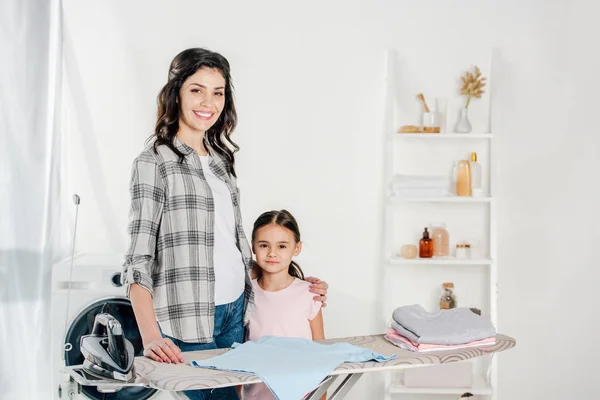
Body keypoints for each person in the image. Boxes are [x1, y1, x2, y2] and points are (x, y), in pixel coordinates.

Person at [121, 48, 329, 400]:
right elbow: (138, 259)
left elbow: (229, 246)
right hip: (189, 317)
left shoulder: (221, 163)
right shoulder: (154, 162)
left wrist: (292, 282)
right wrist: (150, 334)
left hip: (236, 309)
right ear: (176, 93)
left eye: (218, 92)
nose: (208, 102)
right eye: (197, 90)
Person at [243, 209, 326, 400]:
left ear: (296, 248)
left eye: (282, 246)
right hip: (256, 395)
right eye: (264, 245)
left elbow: (320, 352)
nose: (272, 253)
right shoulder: (246, 293)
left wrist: (322, 396)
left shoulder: (309, 293)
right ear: (253, 247)